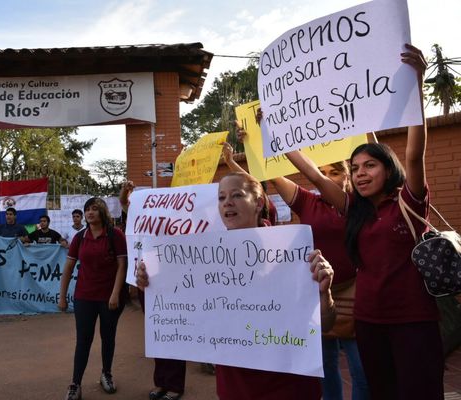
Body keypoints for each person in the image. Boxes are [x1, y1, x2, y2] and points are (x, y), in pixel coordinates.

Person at [280, 44, 444, 399]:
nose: (360, 173)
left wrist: (417, 84)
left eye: (369, 165)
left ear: (388, 169)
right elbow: (312, 173)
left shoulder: (409, 202)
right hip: (368, 322)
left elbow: (415, 154)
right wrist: (276, 134)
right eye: (355, 168)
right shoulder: (354, 208)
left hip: (413, 322)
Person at [137, 172, 336, 400]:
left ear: (258, 203)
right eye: (221, 198)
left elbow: (326, 324)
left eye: (237, 195)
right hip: (235, 389)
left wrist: (324, 294)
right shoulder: (202, 257)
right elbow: (181, 304)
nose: (227, 203)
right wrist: (150, 285)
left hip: (291, 387)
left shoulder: (292, 251)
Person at [226, 132, 369, 398]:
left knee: (361, 370)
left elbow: (314, 175)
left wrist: (275, 135)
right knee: (324, 367)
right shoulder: (307, 201)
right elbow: (268, 176)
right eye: (324, 171)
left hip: (353, 293)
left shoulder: (354, 205)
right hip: (315, 295)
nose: (328, 177)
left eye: (334, 172)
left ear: (346, 175)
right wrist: (253, 141)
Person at [119, 179, 189, 400]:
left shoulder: (181, 227)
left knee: (174, 334)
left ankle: (176, 386)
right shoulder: (143, 222)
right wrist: (125, 192)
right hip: (148, 285)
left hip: (174, 287)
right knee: (157, 334)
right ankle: (161, 383)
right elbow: (126, 205)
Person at [59, 197, 128, 400]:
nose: (90, 213)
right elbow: (69, 267)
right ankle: (75, 384)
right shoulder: (80, 238)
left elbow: (122, 266)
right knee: (83, 340)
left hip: (110, 298)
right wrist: (62, 296)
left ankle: (106, 374)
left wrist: (115, 293)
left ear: (103, 212)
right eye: (87, 209)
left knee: (108, 337)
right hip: (84, 297)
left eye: (95, 209)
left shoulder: (115, 235)